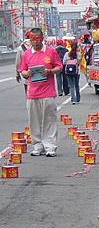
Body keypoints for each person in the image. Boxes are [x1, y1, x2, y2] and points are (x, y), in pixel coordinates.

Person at [18, 28, 63, 157]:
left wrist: (49, 71)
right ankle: (37, 146)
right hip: (32, 93)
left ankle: (50, 147)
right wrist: (27, 73)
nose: (36, 42)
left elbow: (59, 67)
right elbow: (23, 71)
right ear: (30, 40)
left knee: (49, 120)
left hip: (48, 93)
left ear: (42, 38)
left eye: (38, 39)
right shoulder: (26, 54)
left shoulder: (51, 52)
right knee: (34, 121)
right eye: (33, 39)